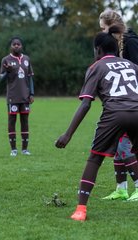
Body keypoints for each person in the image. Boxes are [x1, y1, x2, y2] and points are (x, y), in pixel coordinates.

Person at [55, 27, 138, 221]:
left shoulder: (97, 67)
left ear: (98, 50)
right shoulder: (132, 65)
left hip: (115, 114)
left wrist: (68, 134)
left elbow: (86, 104)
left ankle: (81, 210)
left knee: (95, 159)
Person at [99, 9, 138, 201]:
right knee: (118, 144)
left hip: (131, 105)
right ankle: (121, 188)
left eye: (103, 28)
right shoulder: (115, 46)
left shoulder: (130, 42)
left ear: (111, 26)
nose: (102, 32)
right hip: (120, 104)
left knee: (123, 144)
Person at [0, 36, 34, 157]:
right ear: (11, 46)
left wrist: (32, 93)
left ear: (21, 46)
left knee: (25, 122)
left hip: (25, 97)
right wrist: (7, 71)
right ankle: (13, 149)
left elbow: (30, 77)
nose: (16, 46)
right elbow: (1, 78)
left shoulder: (26, 59)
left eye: (18, 44)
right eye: (14, 44)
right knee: (12, 122)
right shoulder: (6, 60)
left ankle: (25, 149)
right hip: (12, 97)